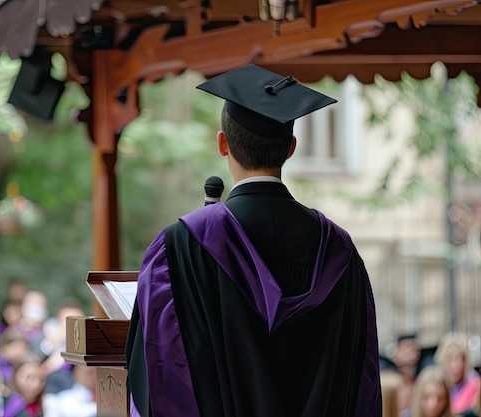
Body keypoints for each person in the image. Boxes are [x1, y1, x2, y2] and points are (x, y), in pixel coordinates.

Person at [125, 64, 382, 417]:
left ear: (222, 143)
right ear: (290, 148)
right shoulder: (339, 252)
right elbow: (362, 379)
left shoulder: (182, 248)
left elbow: (159, 377)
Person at [433, 332, 480, 416]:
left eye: (460, 359)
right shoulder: (438, 387)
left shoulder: (475, 385)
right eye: (450, 359)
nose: (455, 365)